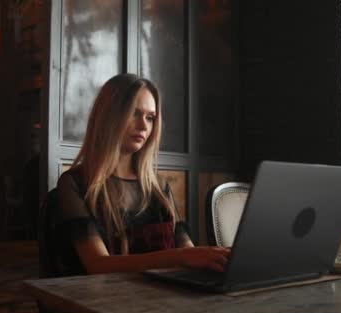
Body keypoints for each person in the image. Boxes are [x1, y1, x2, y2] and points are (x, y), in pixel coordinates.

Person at [55, 73, 229, 275]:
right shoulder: (74, 183)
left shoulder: (159, 187)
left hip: (165, 297)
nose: (144, 126)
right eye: (134, 114)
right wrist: (181, 257)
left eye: (150, 118)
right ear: (108, 116)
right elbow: (98, 265)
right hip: (107, 300)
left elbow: (188, 250)